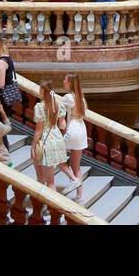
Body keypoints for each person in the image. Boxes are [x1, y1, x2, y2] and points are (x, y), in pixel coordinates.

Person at [31, 80, 68, 192]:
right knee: (51, 182)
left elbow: (39, 130)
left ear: (42, 91)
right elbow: (63, 125)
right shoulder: (58, 104)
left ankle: (42, 202)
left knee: (41, 178)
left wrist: (33, 146)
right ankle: (52, 206)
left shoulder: (39, 106)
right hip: (57, 138)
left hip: (45, 142)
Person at [59, 72, 88, 202]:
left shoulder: (69, 97)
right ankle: (79, 196)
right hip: (82, 129)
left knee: (57, 158)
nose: (63, 82)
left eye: (65, 80)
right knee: (76, 165)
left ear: (70, 83)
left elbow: (57, 106)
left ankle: (73, 180)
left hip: (73, 130)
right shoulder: (81, 97)